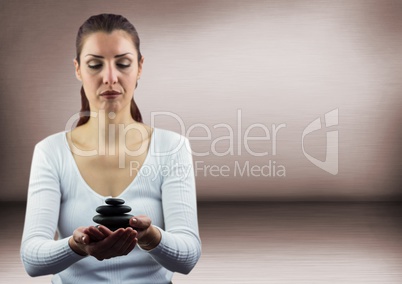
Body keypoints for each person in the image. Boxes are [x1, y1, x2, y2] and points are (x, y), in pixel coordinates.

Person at [20, 14, 201, 284]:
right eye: (94, 65)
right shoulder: (51, 151)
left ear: (139, 67)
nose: (110, 77)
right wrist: (76, 246)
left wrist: (151, 237)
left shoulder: (172, 147)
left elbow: (188, 257)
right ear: (78, 69)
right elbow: (32, 259)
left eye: (123, 63)